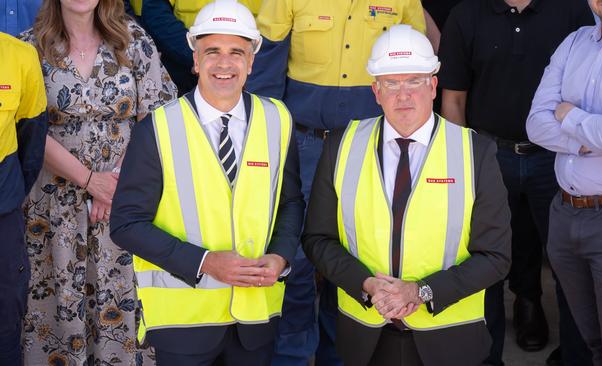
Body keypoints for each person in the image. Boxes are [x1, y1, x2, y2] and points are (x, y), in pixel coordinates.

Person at [302, 24, 511, 366]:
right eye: (391, 83)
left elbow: (496, 257)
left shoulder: (475, 152)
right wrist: (367, 284)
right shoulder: (341, 145)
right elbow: (317, 239)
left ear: (432, 85)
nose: (403, 95)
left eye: (414, 81)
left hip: (449, 339)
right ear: (375, 90)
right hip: (365, 335)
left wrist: (421, 291)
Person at [109, 0, 305, 365]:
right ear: (195, 60)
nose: (224, 63)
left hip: (255, 319)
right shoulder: (159, 128)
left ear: (251, 61)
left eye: (236, 52)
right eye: (212, 51)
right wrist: (204, 262)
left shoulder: (278, 119)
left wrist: (280, 257)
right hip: (184, 324)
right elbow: (126, 224)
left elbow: (290, 203)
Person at [247, 2, 426, 365]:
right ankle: (291, 356)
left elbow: (413, 72)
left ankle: (340, 357)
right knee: (293, 259)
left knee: (353, 256)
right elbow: (264, 73)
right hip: (302, 145)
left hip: (367, 148)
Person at [19, 0, 176, 364]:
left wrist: (115, 182)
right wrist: (91, 181)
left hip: (125, 200)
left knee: (121, 296)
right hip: (53, 205)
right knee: (55, 304)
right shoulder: (29, 47)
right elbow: (27, 128)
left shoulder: (134, 41)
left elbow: (160, 113)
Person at [437, 0, 594, 364]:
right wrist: (461, 168)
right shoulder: (467, 14)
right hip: (489, 156)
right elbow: (454, 99)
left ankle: (575, 355)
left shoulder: (571, 11)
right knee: (484, 262)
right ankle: (487, 355)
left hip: (556, 158)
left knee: (568, 262)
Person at [526, 0, 602, 364]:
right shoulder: (574, 42)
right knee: (592, 342)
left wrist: (568, 113)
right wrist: (590, 137)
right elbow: (536, 124)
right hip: (564, 215)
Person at [0, 32, 47, 366]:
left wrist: (10, 192)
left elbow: (31, 141)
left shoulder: (19, 55)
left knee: (5, 320)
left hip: (2, 216)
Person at [132, 0, 260, 95]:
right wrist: (196, 56)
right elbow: (156, 11)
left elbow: (275, 25)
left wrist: (250, 59)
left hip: (256, 66)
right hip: (181, 66)